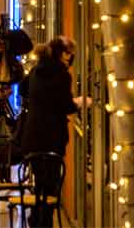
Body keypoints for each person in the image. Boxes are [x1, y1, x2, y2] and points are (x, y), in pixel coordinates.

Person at [19, 37, 89, 227]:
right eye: (70, 54)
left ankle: (36, 219)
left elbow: (23, 90)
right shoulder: (61, 74)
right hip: (52, 137)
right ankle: (44, 222)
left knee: (39, 181)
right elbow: (65, 105)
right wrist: (80, 102)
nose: (71, 58)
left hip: (32, 135)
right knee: (51, 184)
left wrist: (39, 101)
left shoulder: (36, 69)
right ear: (63, 54)